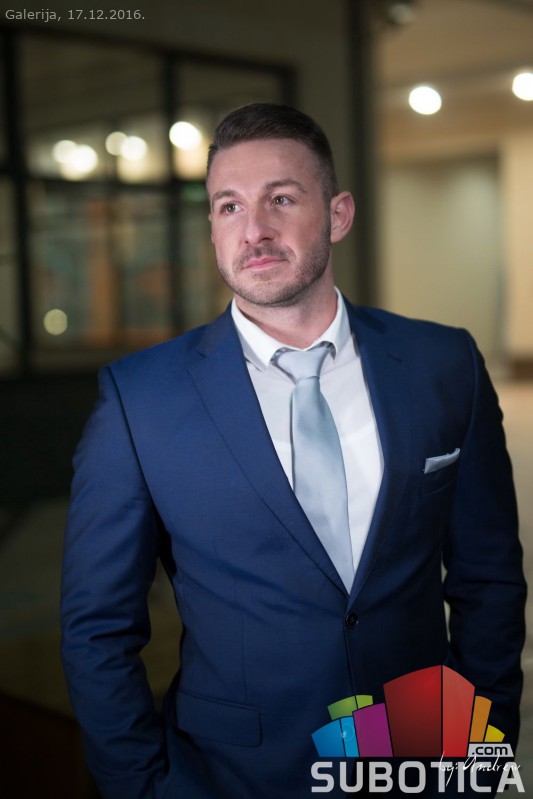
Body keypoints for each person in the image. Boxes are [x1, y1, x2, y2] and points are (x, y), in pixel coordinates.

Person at [61, 103, 526, 799]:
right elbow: (98, 627)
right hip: (232, 775)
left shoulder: (443, 363)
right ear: (212, 228)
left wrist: (479, 753)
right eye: (229, 206)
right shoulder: (140, 398)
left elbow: (488, 578)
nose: (254, 229)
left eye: (280, 198)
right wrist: (140, 787)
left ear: (338, 215)